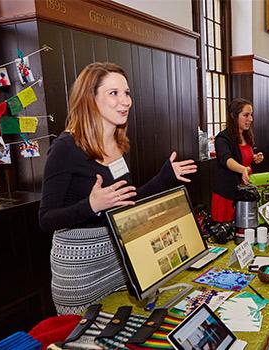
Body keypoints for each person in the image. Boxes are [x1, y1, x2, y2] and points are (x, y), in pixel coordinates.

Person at [38, 62, 197, 314]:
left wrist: (164, 178)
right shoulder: (65, 147)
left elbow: (126, 202)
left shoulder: (118, 143)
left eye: (127, 93)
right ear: (90, 98)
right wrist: (91, 206)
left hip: (118, 258)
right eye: (114, 93)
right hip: (81, 269)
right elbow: (46, 219)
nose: (125, 101)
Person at [211, 98, 263, 222]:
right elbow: (227, 160)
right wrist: (243, 169)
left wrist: (254, 157)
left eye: (251, 115)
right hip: (227, 195)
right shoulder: (222, 138)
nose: (250, 119)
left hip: (244, 192)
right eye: (246, 115)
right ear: (234, 116)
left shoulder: (246, 134)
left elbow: (240, 157)